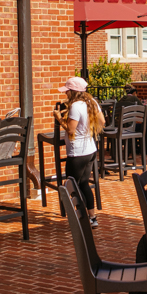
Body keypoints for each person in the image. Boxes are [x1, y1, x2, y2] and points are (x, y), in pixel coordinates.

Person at [55, 77, 105, 228]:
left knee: (72, 186)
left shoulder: (76, 106)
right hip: (90, 150)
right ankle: (92, 218)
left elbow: (71, 130)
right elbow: (102, 121)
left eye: (67, 91)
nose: (66, 95)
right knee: (84, 184)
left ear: (73, 92)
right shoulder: (92, 102)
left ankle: (79, 217)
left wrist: (59, 119)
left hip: (77, 153)